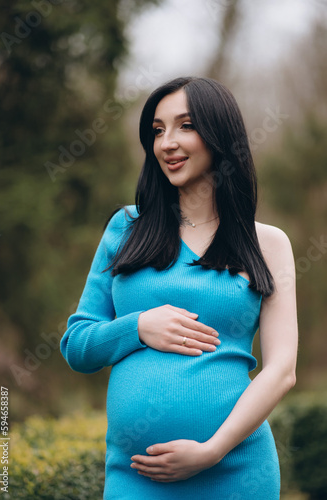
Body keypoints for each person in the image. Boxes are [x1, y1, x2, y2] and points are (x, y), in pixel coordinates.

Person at [60, 76, 298, 499]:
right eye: (157, 130)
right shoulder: (125, 229)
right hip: (138, 477)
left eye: (185, 126)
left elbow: (281, 371)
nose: (167, 142)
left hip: (236, 471)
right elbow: (77, 345)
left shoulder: (269, 244)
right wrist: (137, 327)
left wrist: (211, 450)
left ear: (219, 137)